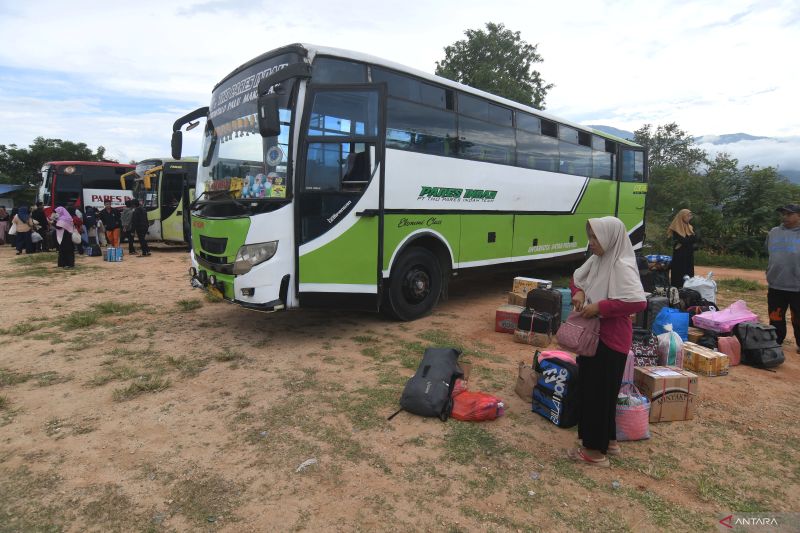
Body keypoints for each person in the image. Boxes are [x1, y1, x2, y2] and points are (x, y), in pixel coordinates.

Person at [567, 217, 647, 468]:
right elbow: (577, 278)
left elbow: (637, 302)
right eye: (590, 237)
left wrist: (600, 307)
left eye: (595, 238)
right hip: (595, 337)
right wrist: (578, 292)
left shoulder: (621, 264)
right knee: (603, 393)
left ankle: (593, 452)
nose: (591, 243)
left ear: (610, 238)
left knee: (596, 394)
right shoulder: (600, 259)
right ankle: (609, 441)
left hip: (611, 340)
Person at [766, 203, 800, 354]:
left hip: (797, 286)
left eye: (789, 214)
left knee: (798, 318)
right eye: (783, 214)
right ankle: (776, 341)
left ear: (799, 216)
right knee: (775, 317)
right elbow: (770, 253)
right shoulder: (773, 232)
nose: (784, 217)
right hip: (776, 284)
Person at [668, 209, 696, 288]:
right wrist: (689, 240)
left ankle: (688, 288)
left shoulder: (690, 227)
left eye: (690, 216)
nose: (690, 217)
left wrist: (688, 240)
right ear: (682, 216)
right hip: (680, 254)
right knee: (679, 272)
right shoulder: (676, 228)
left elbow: (694, 239)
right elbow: (684, 241)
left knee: (689, 271)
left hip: (689, 253)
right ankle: (678, 289)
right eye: (688, 215)